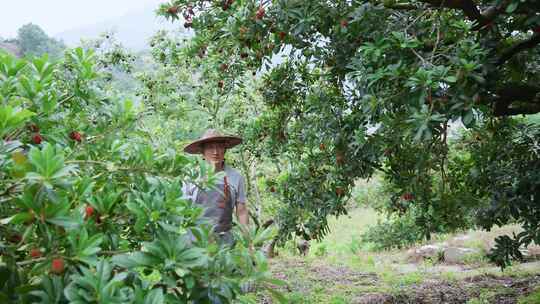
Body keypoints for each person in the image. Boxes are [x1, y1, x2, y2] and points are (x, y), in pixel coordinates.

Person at [182, 129, 249, 247]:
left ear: (225, 150)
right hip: (195, 241)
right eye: (210, 148)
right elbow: (181, 210)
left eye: (219, 147)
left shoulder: (236, 177)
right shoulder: (191, 177)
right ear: (202, 152)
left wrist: (248, 240)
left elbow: (241, 211)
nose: (215, 152)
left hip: (225, 242)